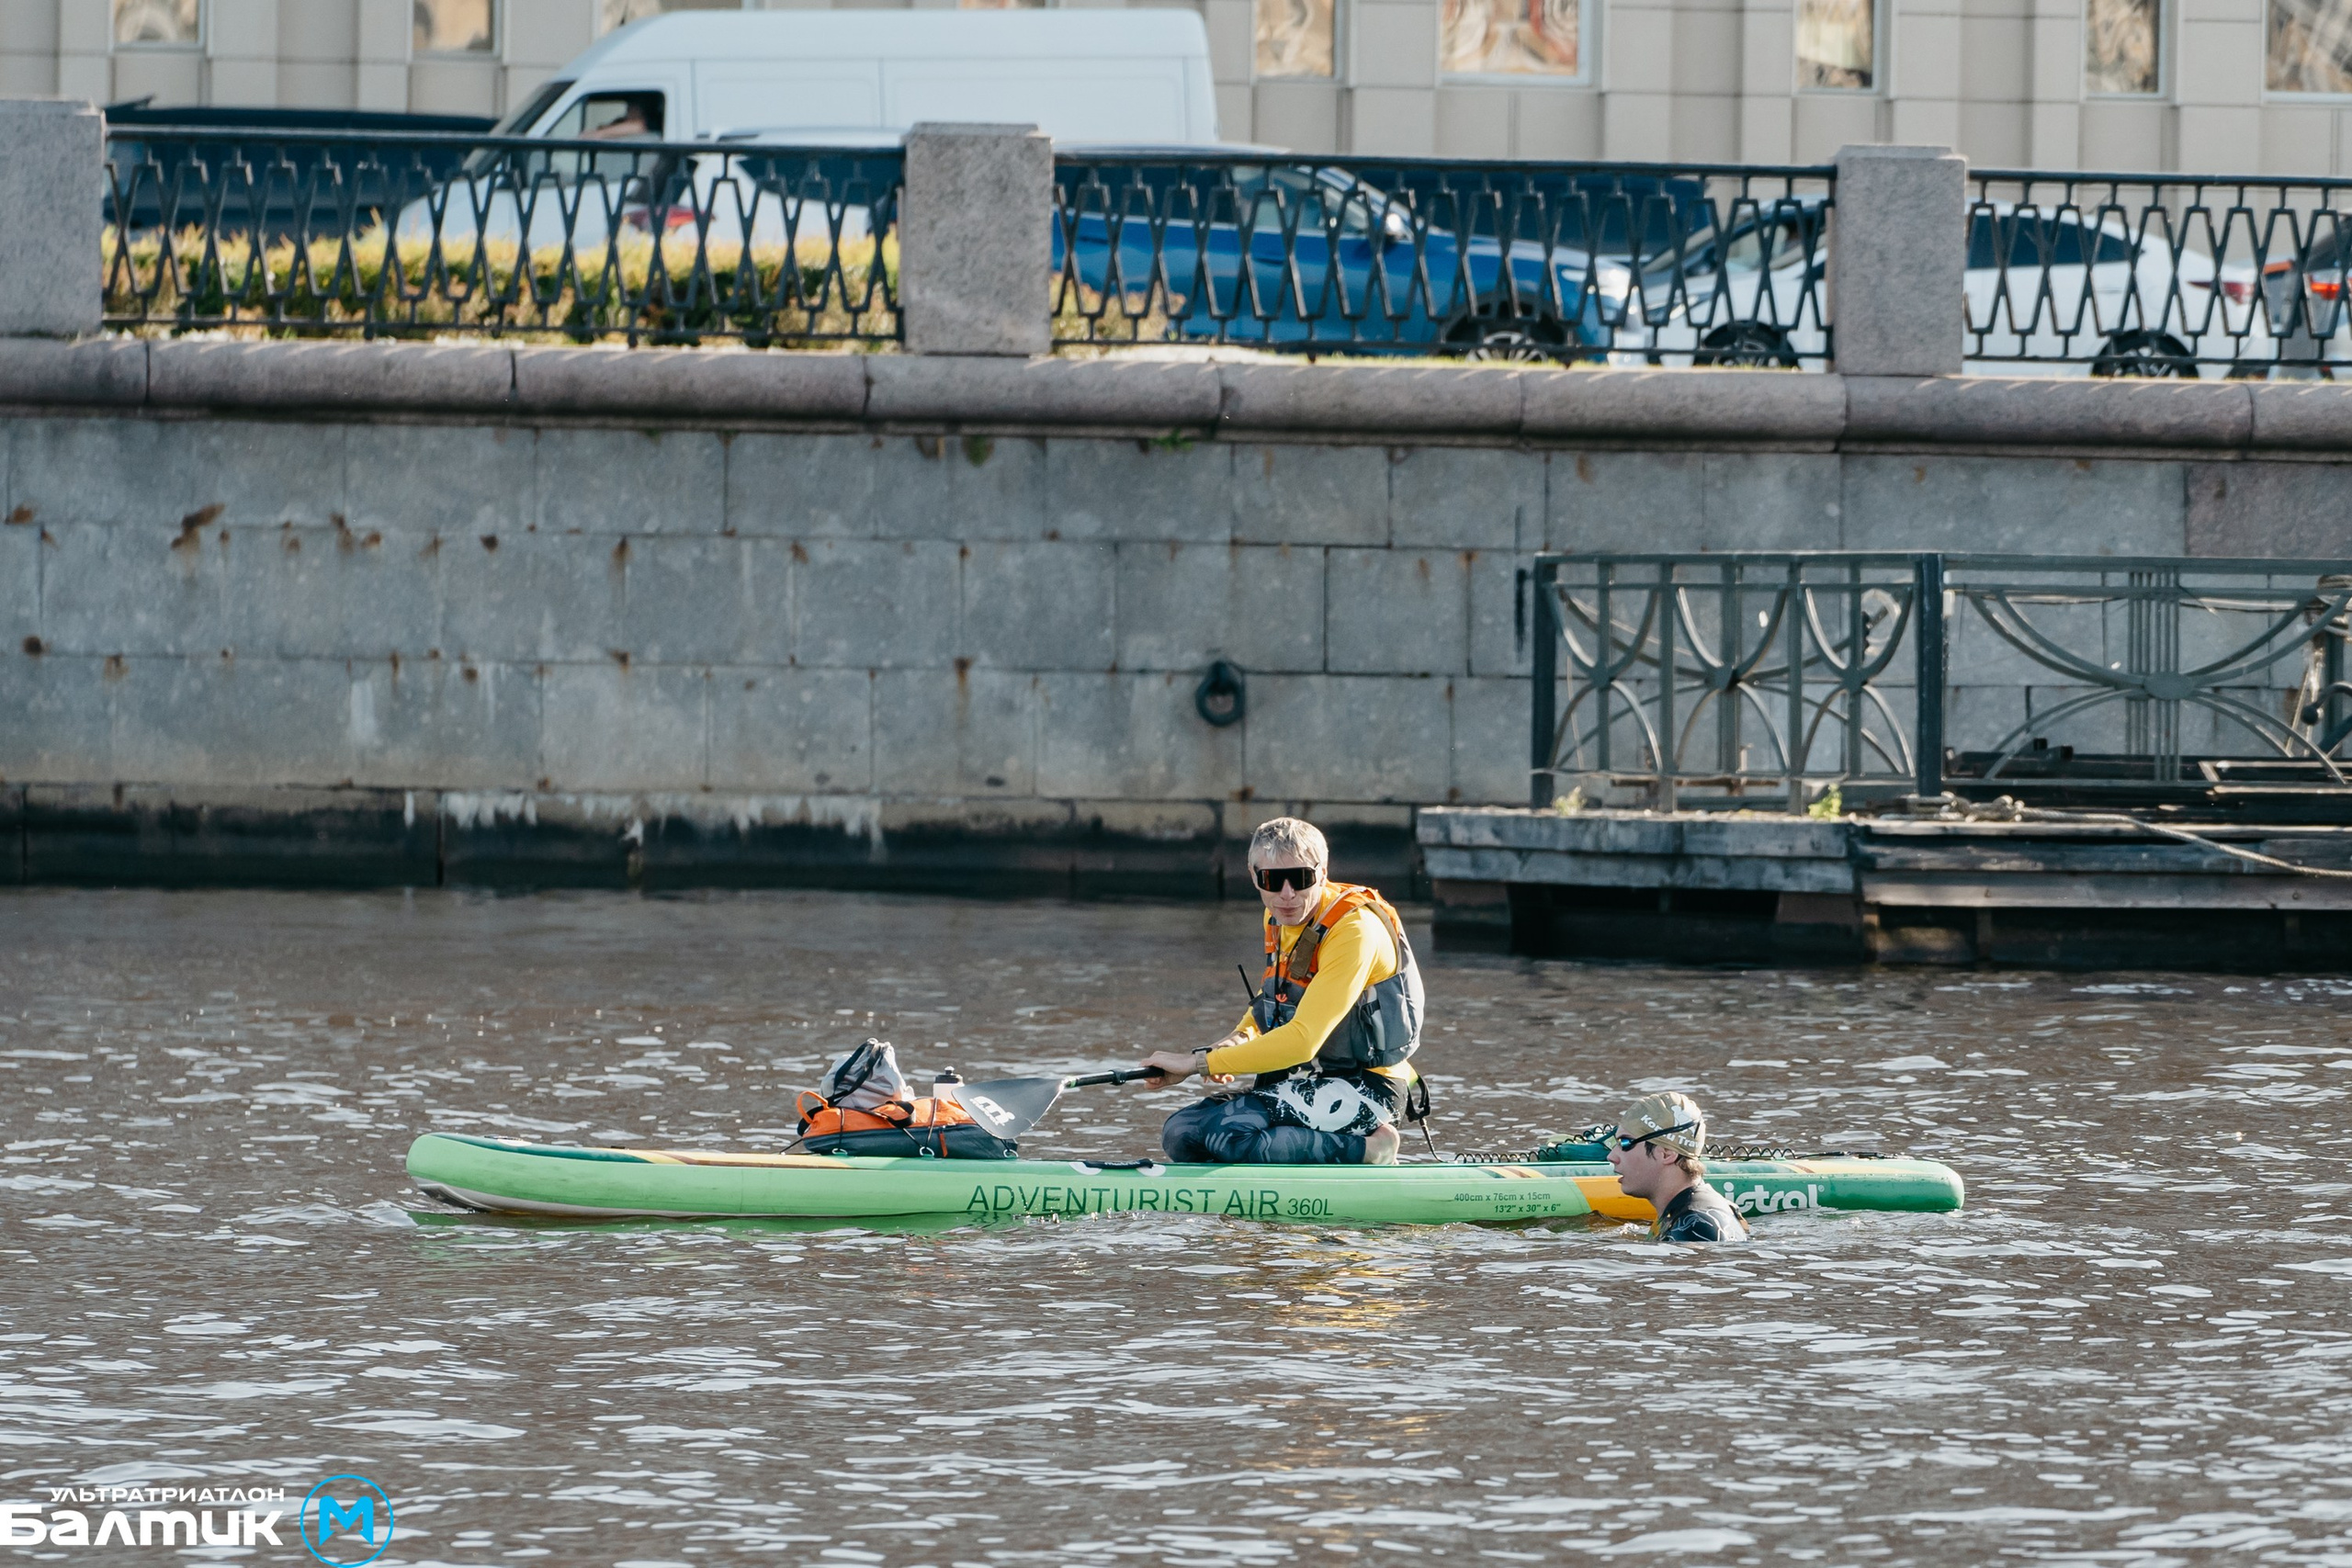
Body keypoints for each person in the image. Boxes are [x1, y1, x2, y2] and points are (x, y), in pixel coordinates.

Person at [1136, 818, 1424, 1166]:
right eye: (1272, 880)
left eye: (1300, 879)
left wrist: (1196, 1063)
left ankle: (1372, 1150)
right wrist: (1236, 1039)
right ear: (1254, 875)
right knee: (1181, 1132)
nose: (1287, 894)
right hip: (1312, 1080)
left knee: (1228, 1133)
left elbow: (1302, 1042)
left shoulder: (1354, 931)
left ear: (1322, 872)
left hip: (1370, 1090)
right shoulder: (1278, 916)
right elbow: (1274, 998)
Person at [1608, 1091, 1749, 1243]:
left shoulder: (1694, 1228)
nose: (1611, 1156)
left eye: (1625, 1143)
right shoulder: (1689, 1214)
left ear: (1667, 1154)